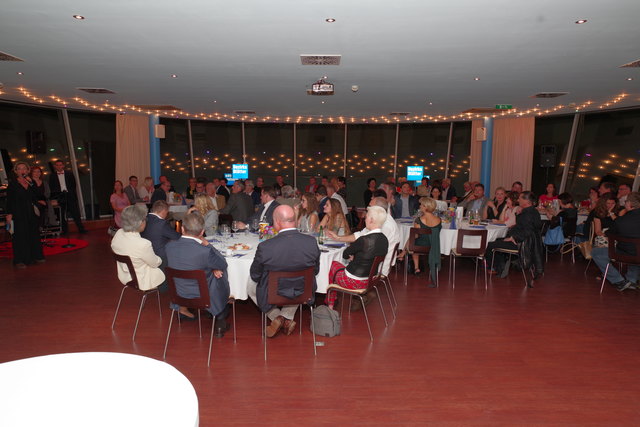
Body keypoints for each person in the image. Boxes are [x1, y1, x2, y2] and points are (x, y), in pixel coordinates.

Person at [249, 205, 320, 337]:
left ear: (277, 222)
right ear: (295, 220)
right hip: (302, 290)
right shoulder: (311, 242)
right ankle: (285, 319)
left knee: (250, 286)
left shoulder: (265, 247)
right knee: (300, 281)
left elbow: (255, 275)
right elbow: (315, 271)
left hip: (273, 292)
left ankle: (277, 317)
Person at [165, 212, 231, 335]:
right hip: (204, 296)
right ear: (202, 232)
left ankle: (183, 309)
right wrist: (208, 244)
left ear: (182, 229)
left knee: (214, 271)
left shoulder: (169, 246)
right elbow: (222, 263)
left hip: (179, 293)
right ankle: (220, 317)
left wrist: (211, 268)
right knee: (221, 273)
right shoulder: (204, 251)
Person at [326, 206, 389, 309]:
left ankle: (330, 304)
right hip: (371, 280)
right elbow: (370, 256)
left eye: (366, 217)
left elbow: (345, 254)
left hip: (354, 281)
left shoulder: (364, 240)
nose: (365, 219)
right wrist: (356, 257)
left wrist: (353, 256)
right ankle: (333, 302)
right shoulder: (384, 240)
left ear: (371, 220)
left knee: (332, 264)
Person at [327, 197, 399, 278]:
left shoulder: (387, 226)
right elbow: (360, 235)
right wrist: (338, 238)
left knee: (332, 264)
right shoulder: (378, 225)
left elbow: (370, 248)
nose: (367, 209)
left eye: (370, 207)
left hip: (374, 270)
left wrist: (355, 256)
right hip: (370, 270)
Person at [486, 191, 543, 280]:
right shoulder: (534, 211)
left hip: (521, 244)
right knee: (498, 240)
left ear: (526, 201)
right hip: (528, 243)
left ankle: (497, 268)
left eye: (520, 198)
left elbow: (527, 231)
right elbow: (526, 228)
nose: (518, 200)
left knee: (489, 244)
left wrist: (513, 237)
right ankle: (501, 266)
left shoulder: (527, 214)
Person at [591, 192, 640, 291]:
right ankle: (632, 280)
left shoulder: (621, 220)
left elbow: (609, 233)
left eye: (625, 201)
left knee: (596, 252)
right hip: (637, 254)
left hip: (624, 253)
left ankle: (619, 281)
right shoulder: (621, 218)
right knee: (636, 251)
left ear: (629, 203)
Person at [110, 204, 165, 291]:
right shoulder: (143, 244)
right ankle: (166, 292)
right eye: (144, 219)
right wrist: (160, 258)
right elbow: (155, 263)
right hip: (142, 280)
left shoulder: (118, 233)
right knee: (164, 260)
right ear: (140, 223)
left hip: (125, 276)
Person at [6, 162, 45, 268]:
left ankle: (35, 256)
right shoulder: (13, 184)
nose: (22, 170)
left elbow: (37, 195)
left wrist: (31, 182)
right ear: (16, 171)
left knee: (33, 234)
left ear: (28, 171)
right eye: (19, 169)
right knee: (20, 236)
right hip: (18, 212)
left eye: (24, 168)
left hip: (30, 212)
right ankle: (19, 260)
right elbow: (9, 201)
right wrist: (9, 214)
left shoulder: (30, 182)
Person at [49, 159, 86, 234]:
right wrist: (56, 197)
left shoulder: (69, 174)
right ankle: (65, 230)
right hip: (60, 196)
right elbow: (52, 187)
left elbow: (73, 184)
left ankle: (81, 229)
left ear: (63, 166)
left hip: (70, 195)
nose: (59, 166)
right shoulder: (52, 176)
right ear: (55, 166)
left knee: (75, 213)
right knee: (61, 214)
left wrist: (71, 193)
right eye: (57, 165)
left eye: (60, 165)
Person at [140, 200, 180, 266]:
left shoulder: (144, 219)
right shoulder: (162, 223)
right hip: (159, 257)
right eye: (167, 212)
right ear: (164, 211)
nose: (167, 215)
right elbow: (177, 237)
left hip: (145, 254)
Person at [410, 197, 442, 281]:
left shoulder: (418, 220)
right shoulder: (439, 220)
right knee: (412, 239)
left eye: (421, 205)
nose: (420, 206)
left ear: (425, 207)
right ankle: (403, 254)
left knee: (412, 240)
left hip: (420, 246)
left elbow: (416, 235)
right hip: (434, 246)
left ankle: (416, 268)